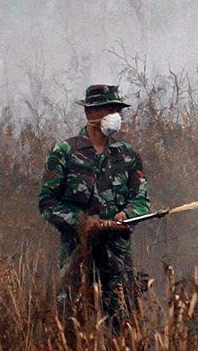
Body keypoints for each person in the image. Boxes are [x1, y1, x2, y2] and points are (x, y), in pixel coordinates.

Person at [36, 83, 150, 321]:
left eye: (118, 110)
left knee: (123, 323)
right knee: (71, 322)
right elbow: (47, 203)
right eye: (108, 109)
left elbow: (140, 198)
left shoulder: (128, 155)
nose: (115, 116)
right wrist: (82, 222)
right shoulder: (65, 152)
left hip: (117, 259)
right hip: (77, 254)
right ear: (90, 113)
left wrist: (126, 215)